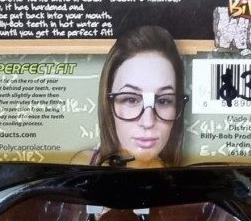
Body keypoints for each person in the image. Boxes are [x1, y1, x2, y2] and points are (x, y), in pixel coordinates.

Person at [72, 25, 187, 168]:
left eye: (163, 101)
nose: (148, 122)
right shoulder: (84, 164)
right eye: (131, 100)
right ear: (108, 103)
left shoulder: (190, 174)